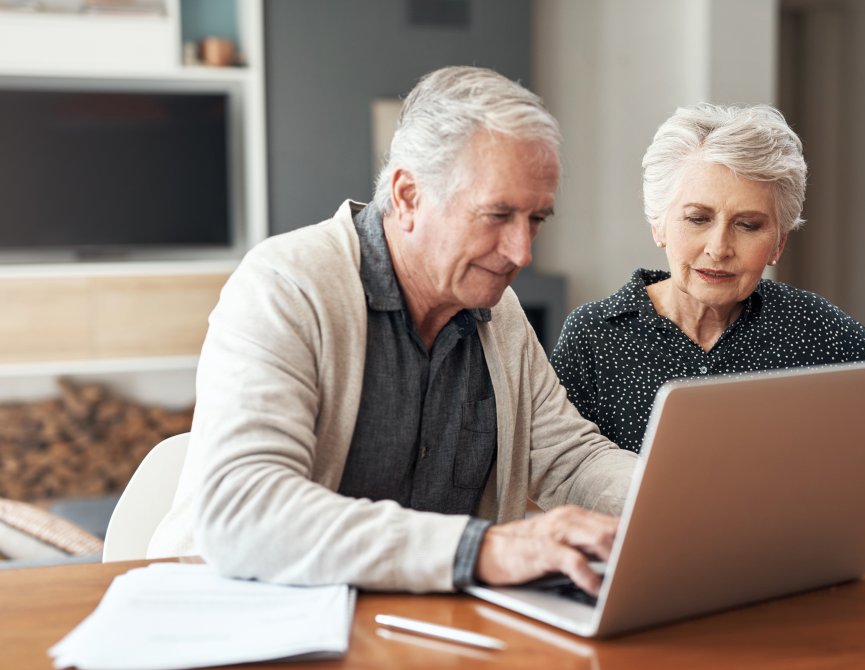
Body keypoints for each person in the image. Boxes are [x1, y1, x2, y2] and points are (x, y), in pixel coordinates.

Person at [149, 66, 637, 596]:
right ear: (407, 197)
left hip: (416, 626)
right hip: (246, 614)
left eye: (536, 219)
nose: (522, 252)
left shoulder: (502, 315)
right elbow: (246, 509)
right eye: (497, 215)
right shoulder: (285, 286)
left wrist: (690, 500)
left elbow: (570, 458)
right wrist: (482, 550)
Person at [551, 103, 865, 515]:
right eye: (697, 218)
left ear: (778, 242)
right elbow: (550, 477)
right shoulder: (594, 335)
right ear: (659, 224)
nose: (719, 248)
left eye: (748, 225)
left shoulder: (814, 328)